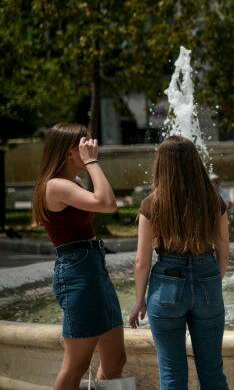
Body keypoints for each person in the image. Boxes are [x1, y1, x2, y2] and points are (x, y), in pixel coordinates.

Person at [129, 135, 229, 390]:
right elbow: (223, 249)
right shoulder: (213, 201)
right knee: (213, 371)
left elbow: (142, 260)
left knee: (172, 372)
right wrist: (212, 280)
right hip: (207, 276)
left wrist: (139, 300)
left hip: (166, 283)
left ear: (162, 164)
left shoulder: (152, 204)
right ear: (195, 163)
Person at [31, 123, 126, 390]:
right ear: (68, 151)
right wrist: (93, 161)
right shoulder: (55, 186)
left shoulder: (73, 182)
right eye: (83, 144)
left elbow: (102, 200)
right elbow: (107, 204)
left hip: (94, 269)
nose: (90, 147)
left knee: (116, 360)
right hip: (77, 273)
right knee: (76, 366)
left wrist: (90, 163)